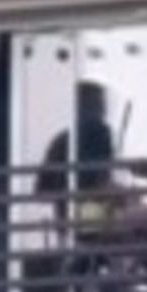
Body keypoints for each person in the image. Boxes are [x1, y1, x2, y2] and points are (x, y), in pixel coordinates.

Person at [36, 81, 117, 225]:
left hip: (83, 220)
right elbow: (42, 191)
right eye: (99, 104)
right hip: (87, 220)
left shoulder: (61, 141)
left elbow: (41, 191)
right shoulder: (99, 136)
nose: (104, 111)